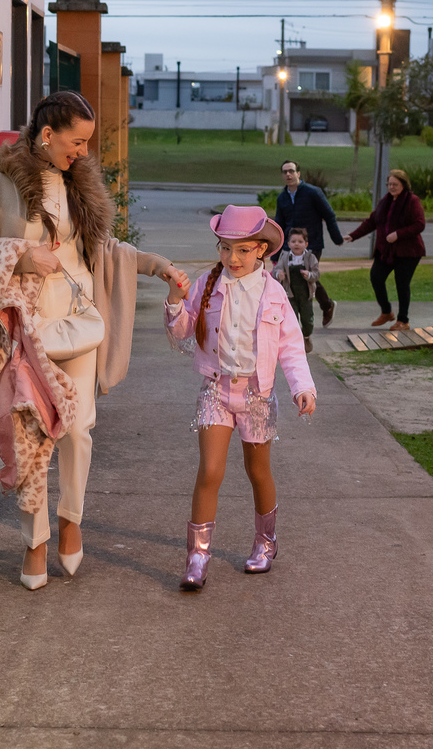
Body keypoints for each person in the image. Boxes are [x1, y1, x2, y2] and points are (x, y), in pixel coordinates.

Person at [0, 90, 189, 590]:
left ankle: (71, 520)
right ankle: (34, 541)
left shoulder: (78, 181)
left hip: (80, 320)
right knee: (33, 434)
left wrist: (159, 267)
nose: (83, 152)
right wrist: (20, 254)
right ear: (47, 134)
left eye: (86, 143)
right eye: (76, 141)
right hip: (27, 323)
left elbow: (103, 250)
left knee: (79, 428)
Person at [165, 205, 317, 591]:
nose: (233, 258)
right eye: (225, 248)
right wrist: (174, 300)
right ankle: (197, 556)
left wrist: (302, 386)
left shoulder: (274, 293)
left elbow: (291, 346)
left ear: (262, 250)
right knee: (210, 471)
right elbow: (183, 330)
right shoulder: (206, 284)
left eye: (243, 250)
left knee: (258, 471)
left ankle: (266, 542)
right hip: (216, 391)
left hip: (257, 397)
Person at [344, 169, 426, 331]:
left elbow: (419, 224)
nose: (392, 187)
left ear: (404, 184)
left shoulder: (412, 201)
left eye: (395, 184)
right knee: (376, 277)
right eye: (389, 184)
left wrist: (398, 234)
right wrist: (353, 236)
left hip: (408, 252)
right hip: (386, 251)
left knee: (402, 283)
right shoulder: (385, 202)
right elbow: (372, 222)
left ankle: (403, 321)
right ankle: (387, 312)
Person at [273, 160, 344, 327]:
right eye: (285, 172)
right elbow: (279, 225)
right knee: (289, 278)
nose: (288, 175)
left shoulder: (313, 193)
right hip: (289, 246)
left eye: (291, 171)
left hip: (312, 245)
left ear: (298, 173)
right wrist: (276, 252)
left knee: (307, 277)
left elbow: (329, 215)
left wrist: (337, 239)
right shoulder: (282, 198)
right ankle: (290, 320)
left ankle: (326, 306)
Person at [273, 227, 320, 353]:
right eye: (293, 241)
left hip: (305, 294)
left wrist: (309, 275)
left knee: (307, 320)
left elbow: (317, 274)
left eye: (300, 241)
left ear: (306, 244)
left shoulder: (310, 257)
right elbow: (276, 270)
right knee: (292, 320)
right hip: (290, 294)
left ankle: (306, 336)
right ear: (288, 244)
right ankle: (294, 343)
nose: (296, 244)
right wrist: (279, 274)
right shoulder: (285, 257)